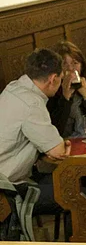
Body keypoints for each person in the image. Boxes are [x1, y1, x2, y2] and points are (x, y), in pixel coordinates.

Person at [0, 48, 70, 212]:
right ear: (53, 79)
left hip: (9, 178)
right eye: (60, 79)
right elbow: (58, 151)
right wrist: (61, 144)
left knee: (67, 181)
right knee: (78, 194)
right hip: (7, 190)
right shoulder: (32, 103)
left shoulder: (14, 87)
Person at [48, 40, 86, 138]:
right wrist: (65, 97)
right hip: (66, 144)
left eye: (75, 63)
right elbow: (55, 132)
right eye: (64, 64)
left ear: (82, 65)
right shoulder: (51, 92)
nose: (70, 68)